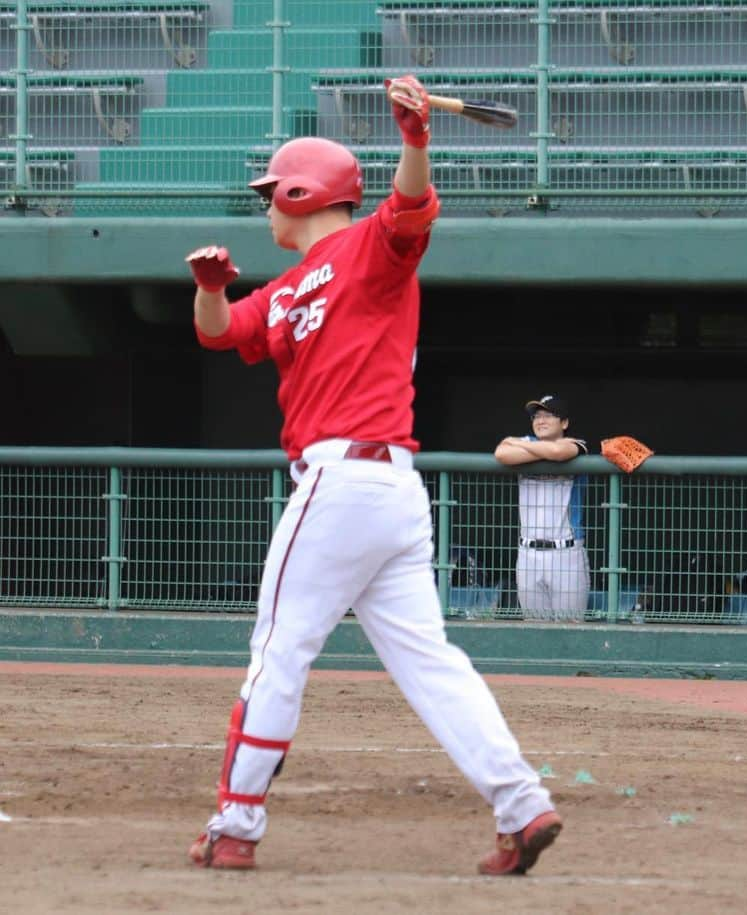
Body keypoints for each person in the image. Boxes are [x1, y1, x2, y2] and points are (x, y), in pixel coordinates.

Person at [183, 75, 561, 875]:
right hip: (387, 492)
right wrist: (211, 291)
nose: (265, 205)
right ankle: (523, 804)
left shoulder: (369, 248)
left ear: (300, 189)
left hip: (342, 478)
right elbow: (221, 333)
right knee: (431, 661)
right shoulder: (287, 288)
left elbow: (411, 212)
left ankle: (235, 823)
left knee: (280, 648)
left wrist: (415, 141)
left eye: (271, 192)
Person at [494, 394, 590, 621]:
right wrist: (528, 445)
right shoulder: (527, 442)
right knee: (534, 628)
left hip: (566, 551)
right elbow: (501, 454)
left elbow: (558, 453)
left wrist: (518, 443)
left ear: (564, 423)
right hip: (528, 552)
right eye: (537, 416)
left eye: (549, 415)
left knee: (571, 628)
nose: (541, 420)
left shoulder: (577, 444)